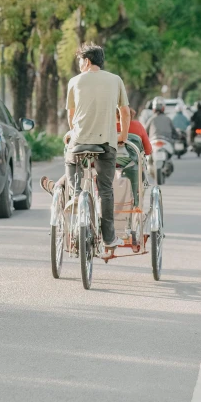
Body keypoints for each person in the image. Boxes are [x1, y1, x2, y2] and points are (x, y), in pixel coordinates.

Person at [41, 42, 129, 249]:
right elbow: (124, 112)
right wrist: (122, 136)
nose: (79, 64)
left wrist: (74, 132)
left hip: (79, 142)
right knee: (106, 189)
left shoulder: (74, 82)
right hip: (106, 143)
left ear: (87, 61)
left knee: (71, 161)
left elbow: (71, 116)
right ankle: (108, 237)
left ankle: (76, 193)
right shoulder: (115, 80)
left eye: (80, 60)